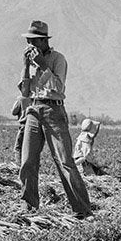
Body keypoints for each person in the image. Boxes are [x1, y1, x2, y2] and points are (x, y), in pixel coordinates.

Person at [17, 19, 93, 218]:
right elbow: (25, 92)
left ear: (43, 41)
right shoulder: (30, 61)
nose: (30, 46)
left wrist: (43, 66)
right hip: (34, 109)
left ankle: (82, 208)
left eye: (33, 42)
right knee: (27, 160)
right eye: (29, 42)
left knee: (64, 161)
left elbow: (58, 88)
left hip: (53, 111)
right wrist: (26, 67)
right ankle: (29, 205)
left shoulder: (58, 59)